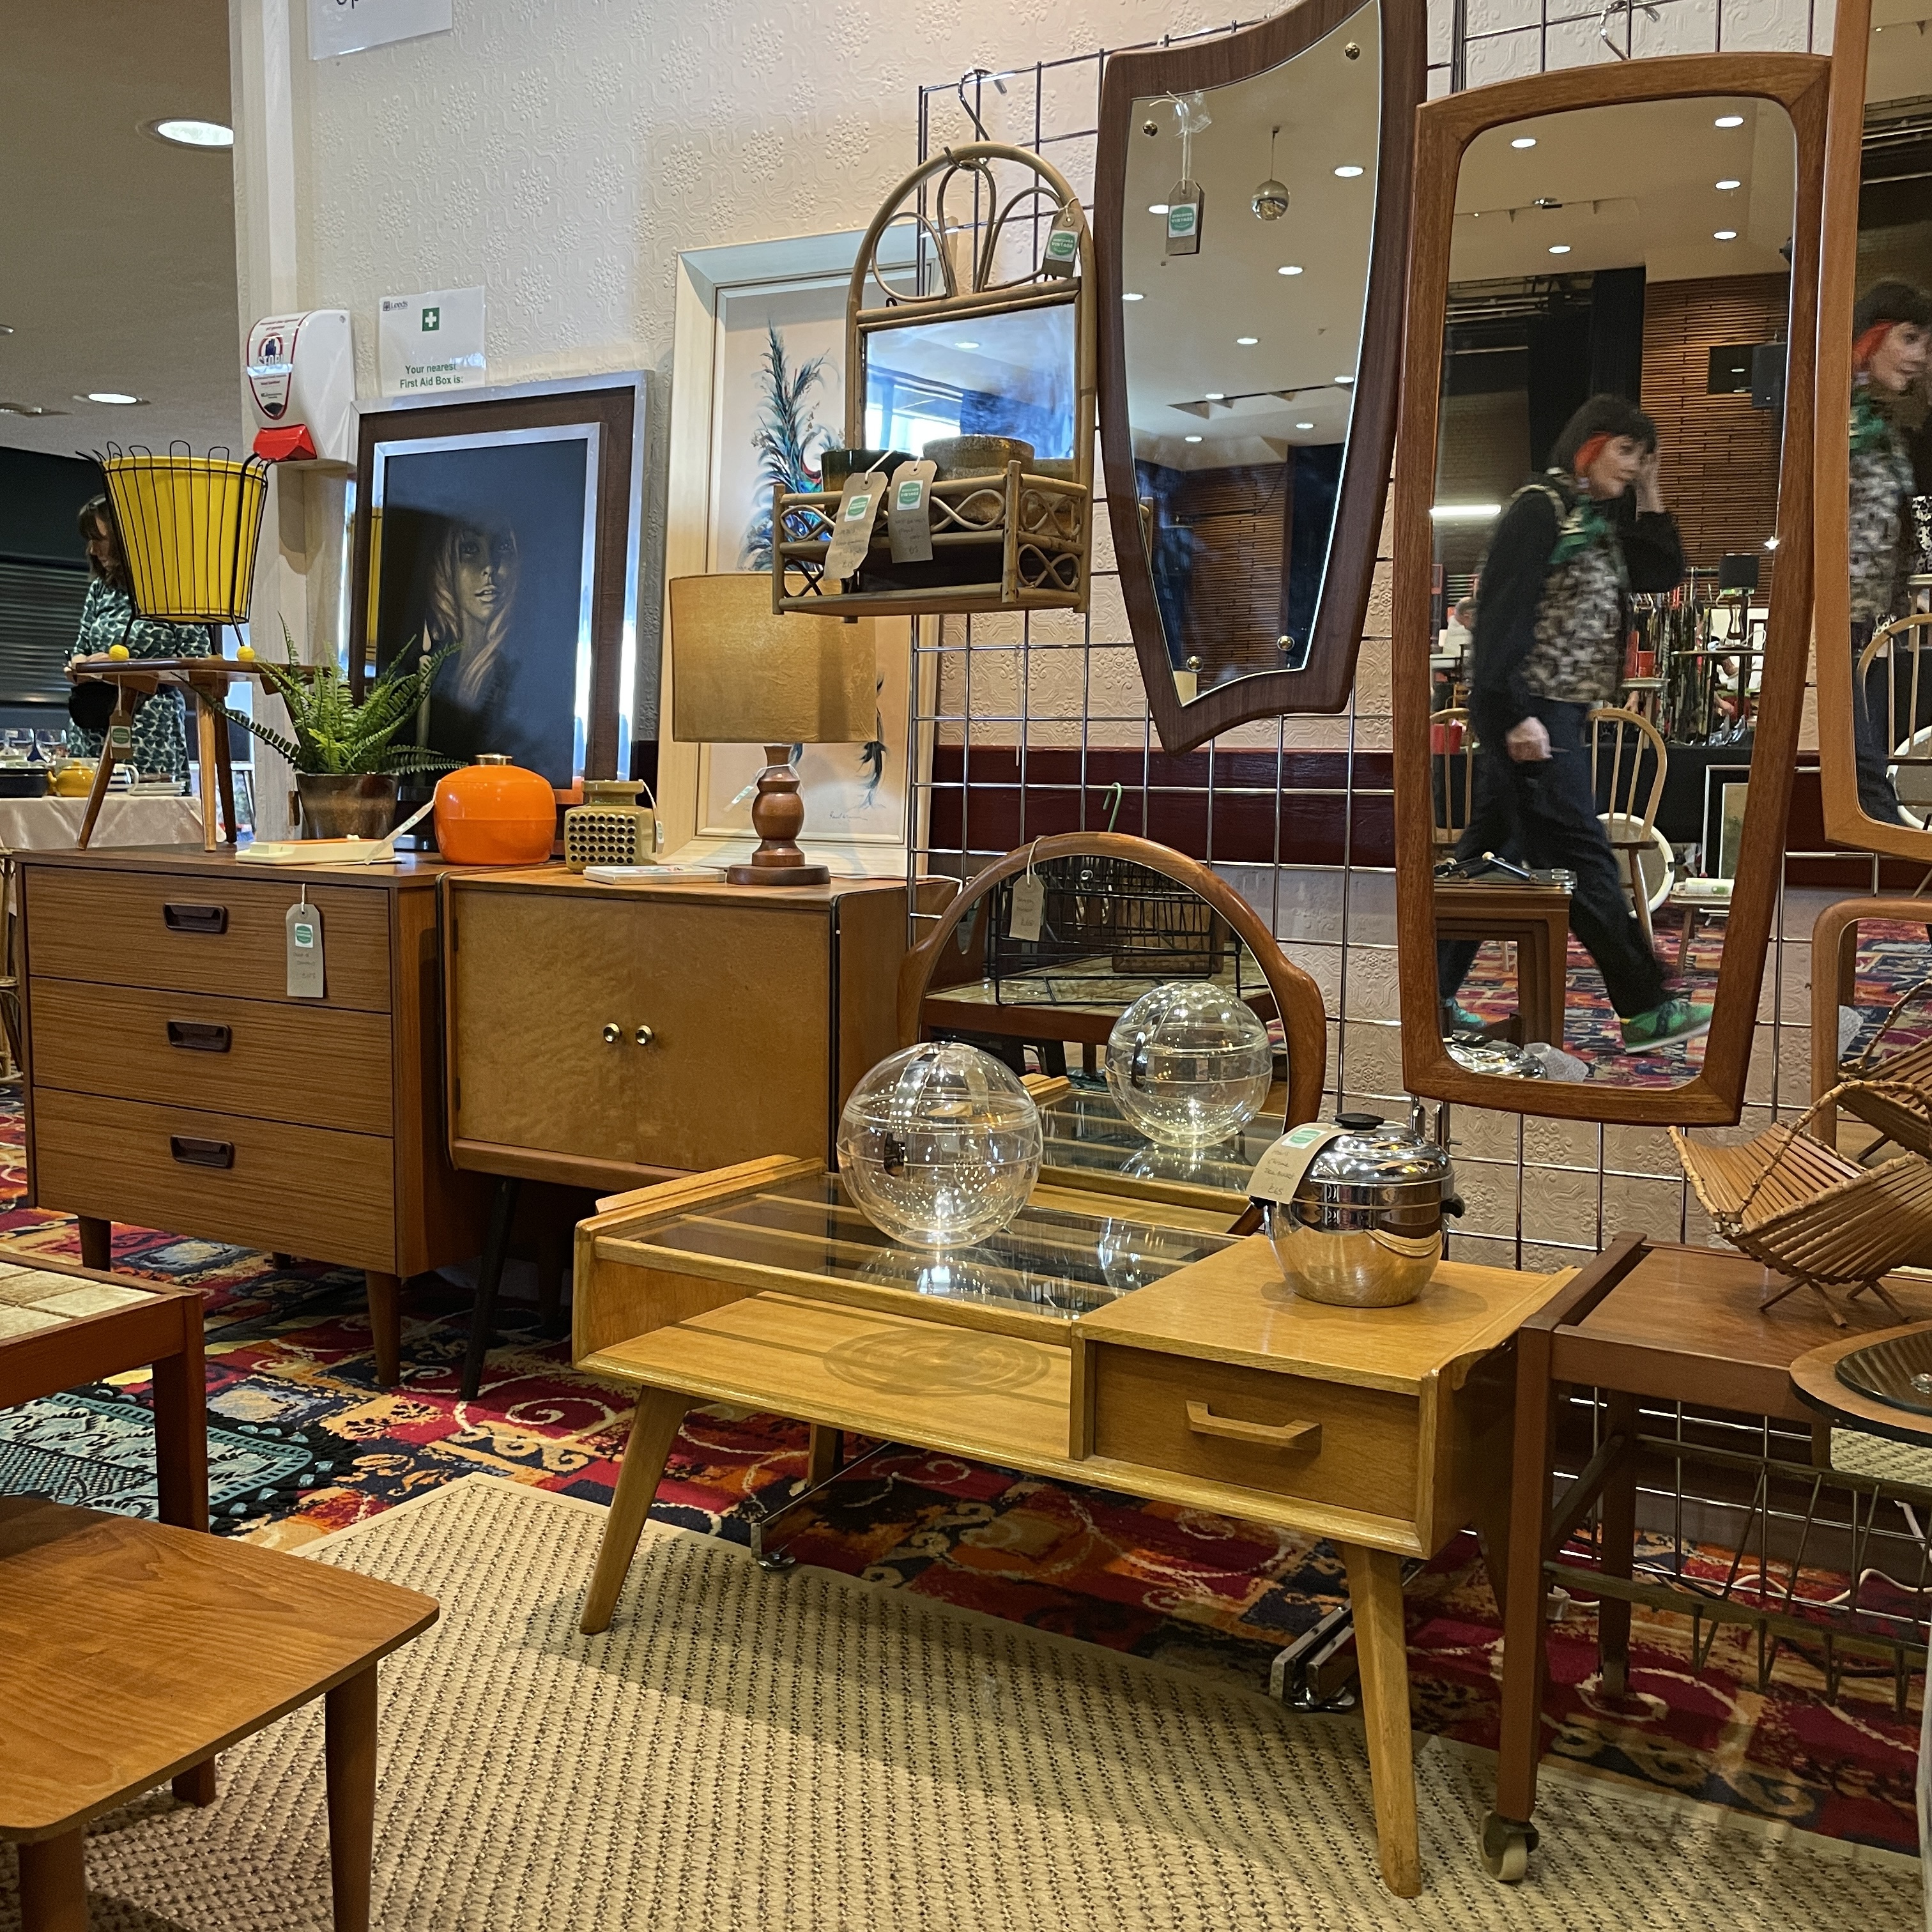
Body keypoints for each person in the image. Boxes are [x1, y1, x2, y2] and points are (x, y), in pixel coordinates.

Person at [1438, 394, 1708, 1054]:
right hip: (1532, 712)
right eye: (1626, 450)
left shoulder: (1587, 520)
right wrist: (1513, 716)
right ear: (1590, 442)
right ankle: (1644, 1007)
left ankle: (1433, 997)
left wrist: (1651, 486)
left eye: (1641, 456)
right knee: (1584, 858)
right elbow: (1504, 614)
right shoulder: (1541, 507)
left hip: (1553, 713)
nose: (1633, 464)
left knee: (1482, 861)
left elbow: (1661, 570)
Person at [1846, 280, 1932, 826]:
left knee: (1868, 763)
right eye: (1910, 338)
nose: (1920, 355)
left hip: (1871, 629)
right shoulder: (1832, 416)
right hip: (1826, 626)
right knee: (1863, 774)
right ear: (1873, 337)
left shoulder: (1884, 430)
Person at [65, 497, 210, 782]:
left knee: (153, 817)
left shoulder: (174, 590)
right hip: (94, 725)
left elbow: (199, 669)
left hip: (150, 732)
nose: (92, 550)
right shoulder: (99, 590)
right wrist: (79, 665)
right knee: (91, 817)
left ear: (125, 538)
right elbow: (80, 649)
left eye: (99, 539)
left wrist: (130, 668)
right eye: (89, 541)